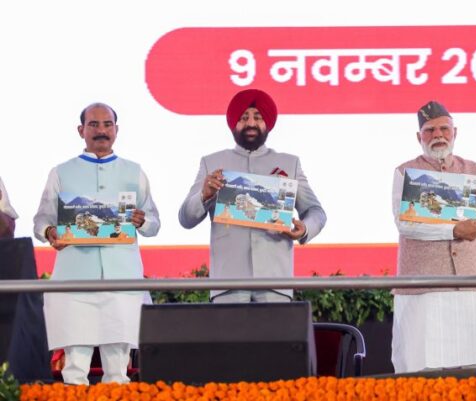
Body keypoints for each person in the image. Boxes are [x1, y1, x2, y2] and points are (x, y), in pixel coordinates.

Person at [33, 103, 160, 385]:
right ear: (81, 130)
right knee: (74, 369)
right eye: (93, 125)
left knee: (118, 372)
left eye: (107, 124)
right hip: (75, 281)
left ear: (116, 130)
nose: (101, 131)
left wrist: (142, 221)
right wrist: (50, 231)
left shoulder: (134, 172)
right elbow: (41, 220)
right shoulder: (61, 172)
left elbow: (154, 222)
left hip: (122, 280)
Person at [179, 89, 326, 303]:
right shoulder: (211, 163)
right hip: (227, 283)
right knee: (230, 338)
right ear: (233, 124)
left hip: (275, 283)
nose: (250, 123)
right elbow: (186, 219)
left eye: (257, 117)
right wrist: (205, 194)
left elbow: (316, 212)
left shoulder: (289, 163)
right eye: (243, 117)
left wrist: (305, 229)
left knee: (274, 338)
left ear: (267, 123)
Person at [390, 101, 476, 373]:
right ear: (419, 137)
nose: (438, 135)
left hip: (471, 288)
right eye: (429, 130)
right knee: (421, 370)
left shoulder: (474, 171)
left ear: (455, 133)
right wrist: (453, 230)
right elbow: (405, 224)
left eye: (444, 128)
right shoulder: (406, 172)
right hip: (423, 289)